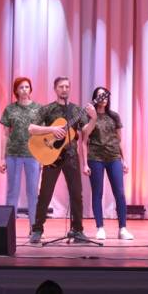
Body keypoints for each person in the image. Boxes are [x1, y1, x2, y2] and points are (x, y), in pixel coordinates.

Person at [27, 77, 97, 243]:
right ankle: (37, 229)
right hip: (51, 156)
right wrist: (52, 129)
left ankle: (78, 230)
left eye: (67, 86)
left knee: (76, 194)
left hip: (71, 156)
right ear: (55, 88)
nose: (64, 89)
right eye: (61, 86)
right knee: (45, 193)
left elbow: (86, 131)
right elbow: (31, 128)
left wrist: (93, 118)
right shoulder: (48, 109)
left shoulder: (76, 110)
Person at [82, 86, 134, 240]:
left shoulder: (114, 116)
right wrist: (85, 163)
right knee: (97, 193)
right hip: (95, 158)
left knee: (120, 193)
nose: (103, 98)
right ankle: (100, 227)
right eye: (99, 96)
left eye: (105, 95)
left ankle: (122, 228)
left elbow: (118, 140)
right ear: (95, 98)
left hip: (113, 157)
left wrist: (124, 160)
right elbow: (84, 140)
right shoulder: (89, 115)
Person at [0, 77, 41, 226]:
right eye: (21, 87)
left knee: (33, 193)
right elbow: (4, 134)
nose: (24, 90)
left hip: (33, 154)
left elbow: (43, 132)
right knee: (12, 193)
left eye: (27, 87)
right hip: (13, 154)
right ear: (16, 90)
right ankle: (9, 228)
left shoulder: (38, 109)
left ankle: (34, 228)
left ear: (31, 89)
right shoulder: (10, 109)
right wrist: (2, 158)